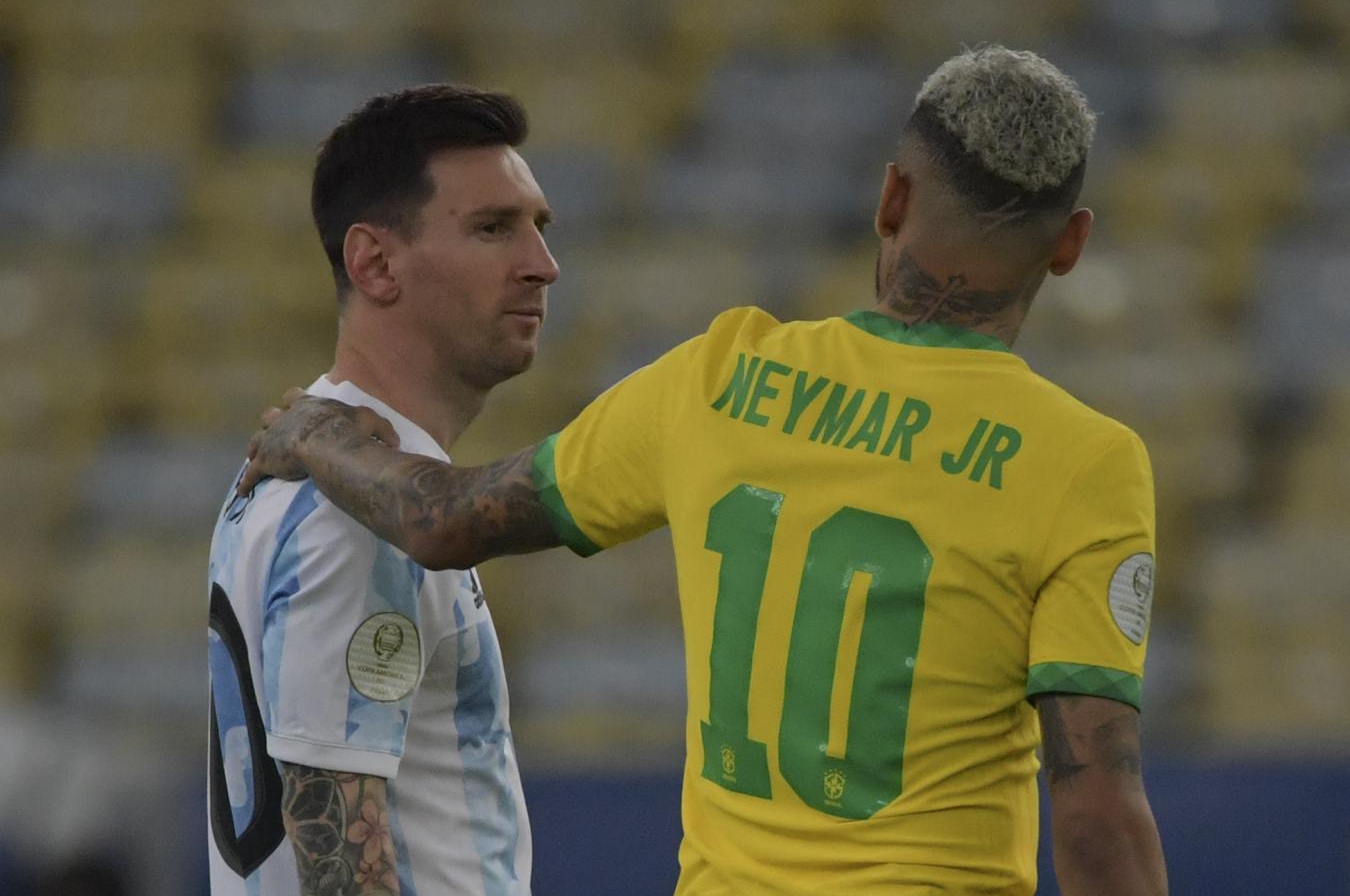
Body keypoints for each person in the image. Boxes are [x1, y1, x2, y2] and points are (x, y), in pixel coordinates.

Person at [239, 47, 1169, 895]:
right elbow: (1093, 811)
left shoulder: (725, 375)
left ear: (890, 198)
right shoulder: (1085, 464)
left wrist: (320, 436)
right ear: (1071, 243)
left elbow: (443, 518)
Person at [207, 83, 557, 895]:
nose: (542, 265)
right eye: (493, 228)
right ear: (374, 262)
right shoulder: (359, 507)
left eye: (538, 227)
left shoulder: (315, 454)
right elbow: (334, 854)